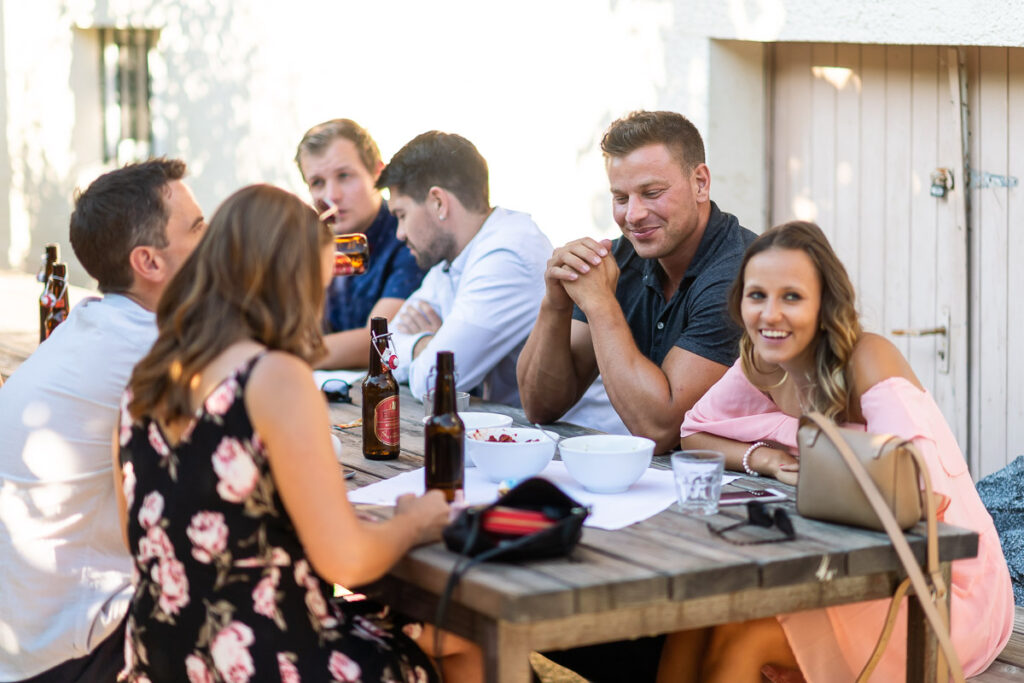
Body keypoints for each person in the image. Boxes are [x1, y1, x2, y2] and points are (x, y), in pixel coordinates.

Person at [114, 184, 481, 682]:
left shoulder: (145, 381)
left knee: (435, 635)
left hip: (163, 655)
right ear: (292, 281)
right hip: (262, 659)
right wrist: (416, 522)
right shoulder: (273, 376)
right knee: (471, 643)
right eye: (320, 282)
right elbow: (347, 561)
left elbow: (144, 533)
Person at [663, 220, 1014, 682]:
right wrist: (767, 455)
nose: (770, 314)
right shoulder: (762, 359)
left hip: (940, 582)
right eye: (757, 296)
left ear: (825, 303)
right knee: (700, 615)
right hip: (842, 566)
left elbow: (923, 494)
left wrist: (820, 461)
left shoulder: (867, 357)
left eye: (792, 296)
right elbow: (695, 431)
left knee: (747, 636)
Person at [0, 158, 206, 682]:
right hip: (77, 654)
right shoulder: (149, 354)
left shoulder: (94, 325)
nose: (215, 244)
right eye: (199, 229)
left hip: (27, 642)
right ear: (149, 262)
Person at [517, 110, 756, 452]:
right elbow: (540, 406)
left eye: (652, 192)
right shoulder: (620, 258)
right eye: (621, 197)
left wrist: (600, 304)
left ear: (700, 183)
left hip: (758, 489)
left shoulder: (740, 274)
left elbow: (661, 430)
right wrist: (555, 301)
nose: (633, 215)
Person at [381, 131, 552, 407]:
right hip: (514, 432)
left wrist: (429, 344)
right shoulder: (451, 260)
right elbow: (384, 349)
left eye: (402, 215)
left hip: (578, 441)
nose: (399, 234)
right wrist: (429, 345)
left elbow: (434, 383)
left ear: (438, 202)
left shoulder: (508, 254)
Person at [295, 118, 424, 368]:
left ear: (377, 172)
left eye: (344, 176)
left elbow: (377, 342)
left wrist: (280, 356)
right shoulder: (316, 243)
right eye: (317, 183)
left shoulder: (407, 236)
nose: (331, 196)